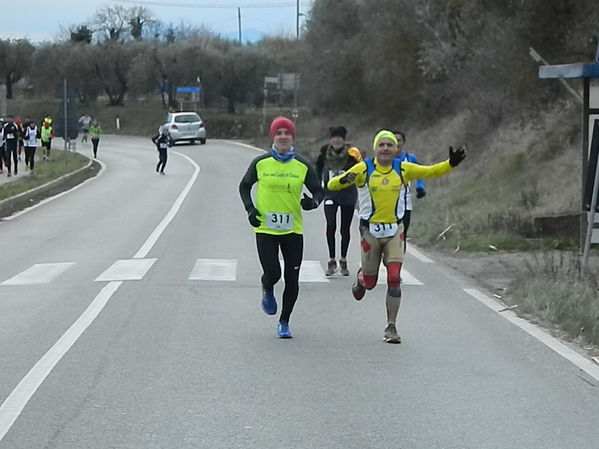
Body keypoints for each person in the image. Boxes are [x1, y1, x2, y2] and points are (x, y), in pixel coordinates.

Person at [328, 129, 466, 344]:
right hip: (370, 231)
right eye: (381, 145)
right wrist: (346, 178)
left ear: (396, 149)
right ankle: (362, 278)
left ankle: (391, 327)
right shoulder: (364, 167)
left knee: (394, 278)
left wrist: (451, 164)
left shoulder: (404, 169)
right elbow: (332, 185)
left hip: (395, 231)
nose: (385, 149)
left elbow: (430, 172)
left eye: (389, 145)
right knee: (371, 283)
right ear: (375, 148)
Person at [239, 116, 323, 339]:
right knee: (274, 273)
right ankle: (266, 286)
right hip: (265, 228)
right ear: (273, 137)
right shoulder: (260, 163)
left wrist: (313, 202)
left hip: (293, 230)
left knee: (292, 279)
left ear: (292, 137)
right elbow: (244, 186)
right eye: (279, 133)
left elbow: (318, 191)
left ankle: (284, 322)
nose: (283, 137)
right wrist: (250, 209)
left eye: (287, 133)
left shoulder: (303, 165)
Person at [316, 126, 362, 276]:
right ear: (330, 139)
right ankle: (331, 260)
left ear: (344, 139)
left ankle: (343, 259)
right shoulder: (324, 151)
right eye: (334, 137)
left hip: (348, 195)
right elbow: (318, 168)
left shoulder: (352, 153)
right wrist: (317, 187)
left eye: (339, 137)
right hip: (330, 194)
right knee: (330, 226)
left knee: (345, 229)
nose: (336, 140)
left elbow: (361, 169)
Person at [393, 130, 425, 250]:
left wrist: (420, 187)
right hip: (387, 205)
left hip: (405, 204)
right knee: (387, 236)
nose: (396, 143)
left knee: (402, 235)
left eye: (399, 140)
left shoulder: (410, 158)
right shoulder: (383, 160)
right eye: (394, 140)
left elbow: (420, 173)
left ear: (404, 143)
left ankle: (399, 262)